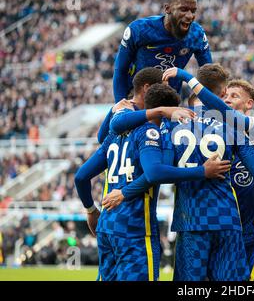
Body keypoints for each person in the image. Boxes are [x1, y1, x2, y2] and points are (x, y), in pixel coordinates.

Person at [111, 64, 254, 281]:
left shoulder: (172, 125)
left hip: (192, 220)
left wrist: (125, 192)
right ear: (221, 94)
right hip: (227, 221)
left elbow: (157, 173)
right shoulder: (235, 127)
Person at [74, 83, 228, 281]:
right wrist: (202, 171)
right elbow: (155, 172)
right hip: (134, 228)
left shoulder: (114, 136)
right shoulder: (150, 133)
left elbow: (81, 177)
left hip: (107, 226)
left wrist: (91, 210)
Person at [113, 0, 212, 102]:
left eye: (193, 11)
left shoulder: (196, 34)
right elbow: (120, 69)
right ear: (167, 8)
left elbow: (209, 73)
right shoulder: (139, 29)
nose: (190, 15)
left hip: (170, 99)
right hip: (137, 99)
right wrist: (120, 104)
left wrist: (204, 101)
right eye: (184, 9)